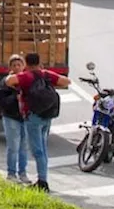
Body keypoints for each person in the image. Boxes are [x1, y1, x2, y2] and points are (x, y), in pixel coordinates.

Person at [4, 52, 70, 191]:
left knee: (37, 150)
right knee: (43, 149)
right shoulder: (46, 74)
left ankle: (42, 181)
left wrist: (16, 74)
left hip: (33, 116)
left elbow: (9, 81)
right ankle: (43, 178)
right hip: (47, 115)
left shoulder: (26, 76)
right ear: (39, 63)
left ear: (26, 64)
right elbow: (66, 81)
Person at [0, 54, 29, 184]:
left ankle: (23, 173)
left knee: (24, 147)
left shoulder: (27, 81)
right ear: (10, 67)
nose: (17, 67)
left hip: (25, 118)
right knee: (13, 146)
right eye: (14, 65)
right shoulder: (6, 82)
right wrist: (15, 97)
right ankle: (11, 173)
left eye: (19, 65)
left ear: (24, 66)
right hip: (11, 117)